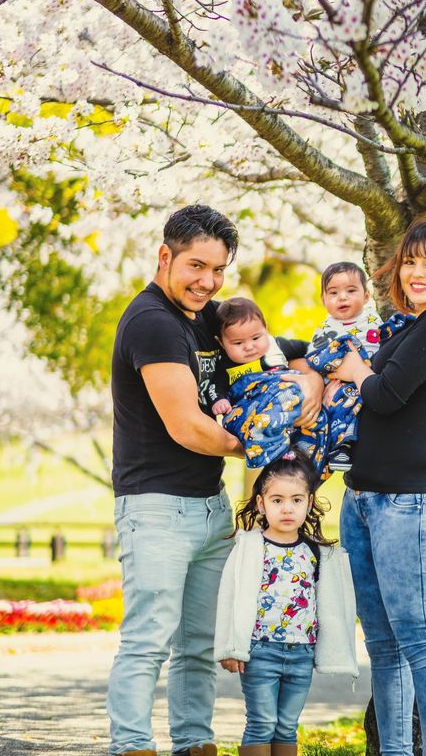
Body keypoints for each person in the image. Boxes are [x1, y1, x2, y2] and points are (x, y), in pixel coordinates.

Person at [107, 205, 323, 756]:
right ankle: (131, 745)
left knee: (199, 646)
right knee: (148, 642)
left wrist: (312, 380)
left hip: (208, 507)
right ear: (165, 256)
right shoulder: (152, 321)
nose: (207, 281)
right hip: (156, 507)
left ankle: (194, 745)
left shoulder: (205, 317)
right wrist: (265, 438)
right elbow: (187, 427)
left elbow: (281, 351)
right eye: (196, 266)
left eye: (219, 270)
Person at [330, 212, 426, 756]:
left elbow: (386, 396)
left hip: (411, 504)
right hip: (365, 501)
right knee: (386, 646)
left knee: (419, 639)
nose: (417, 272)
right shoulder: (411, 326)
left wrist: (356, 371)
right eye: (410, 261)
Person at [213, 451, 359, 756]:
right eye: (277, 500)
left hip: (301, 653)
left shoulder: (317, 553)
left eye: (296, 500)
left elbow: (331, 605)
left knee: (287, 725)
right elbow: (230, 597)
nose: (287, 508)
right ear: (261, 504)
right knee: (261, 722)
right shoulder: (250, 546)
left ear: (309, 502)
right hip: (259, 651)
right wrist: (230, 646)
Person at [211, 297, 332, 472]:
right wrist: (219, 400)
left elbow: (311, 349)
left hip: (285, 402)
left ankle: (314, 460)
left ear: (265, 329)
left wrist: (327, 359)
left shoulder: (277, 347)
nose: (249, 346)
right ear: (221, 343)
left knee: (317, 418)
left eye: (256, 337)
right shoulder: (225, 364)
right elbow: (216, 386)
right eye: (238, 343)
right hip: (251, 408)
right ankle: (269, 451)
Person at [309, 262, 410, 472]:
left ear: (366, 296)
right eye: (334, 292)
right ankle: (334, 446)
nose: (342, 297)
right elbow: (315, 358)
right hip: (336, 383)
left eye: (351, 290)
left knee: (358, 409)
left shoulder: (371, 321)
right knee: (334, 407)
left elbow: (384, 349)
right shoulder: (325, 328)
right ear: (324, 299)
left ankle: (344, 446)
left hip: (366, 380)